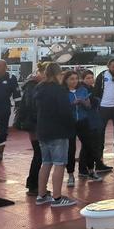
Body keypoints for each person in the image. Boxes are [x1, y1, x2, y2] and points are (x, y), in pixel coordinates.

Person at [34, 62, 76, 207]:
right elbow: (65, 112)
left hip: (42, 130)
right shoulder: (58, 90)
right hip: (58, 131)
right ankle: (57, 198)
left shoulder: (39, 88)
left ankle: (41, 195)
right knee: (59, 163)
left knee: (46, 162)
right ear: (59, 74)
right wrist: (71, 126)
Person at [63, 70, 102, 185]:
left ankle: (91, 170)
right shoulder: (63, 93)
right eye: (71, 79)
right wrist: (72, 104)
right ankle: (70, 175)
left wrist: (84, 103)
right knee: (71, 149)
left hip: (83, 121)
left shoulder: (83, 90)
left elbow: (89, 105)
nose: (74, 81)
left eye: (76, 78)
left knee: (88, 146)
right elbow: (62, 109)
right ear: (66, 80)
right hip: (70, 122)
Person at [15, 63, 44, 196]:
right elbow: (34, 107)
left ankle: (33, 184)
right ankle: (33, 184)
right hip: (35, 125)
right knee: (39, 155)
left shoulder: (31, 86)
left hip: (33, 125)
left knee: (39, 155)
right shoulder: (34, 87)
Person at [82, 70, 112, 175]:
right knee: (90, 144)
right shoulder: (84, 90)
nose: (90, 80)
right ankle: (88, 166)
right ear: (83, 79)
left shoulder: (92, 89)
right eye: (88, 78)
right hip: (90, 119)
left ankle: (97, 163)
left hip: (95, 118)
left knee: (96, 142)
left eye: (91, 77)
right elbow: (91, 104)